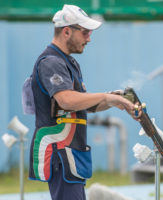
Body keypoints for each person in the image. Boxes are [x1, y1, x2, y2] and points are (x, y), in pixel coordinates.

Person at [28, 4, 141, 200]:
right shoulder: (51, 62)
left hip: (69, 154)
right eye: (85, 32)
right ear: (66, 31)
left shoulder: (68, 62)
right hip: (60, 153)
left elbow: (84, 103)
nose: (89, 38)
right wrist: (107, 97)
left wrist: (115, 100)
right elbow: (66, 100)